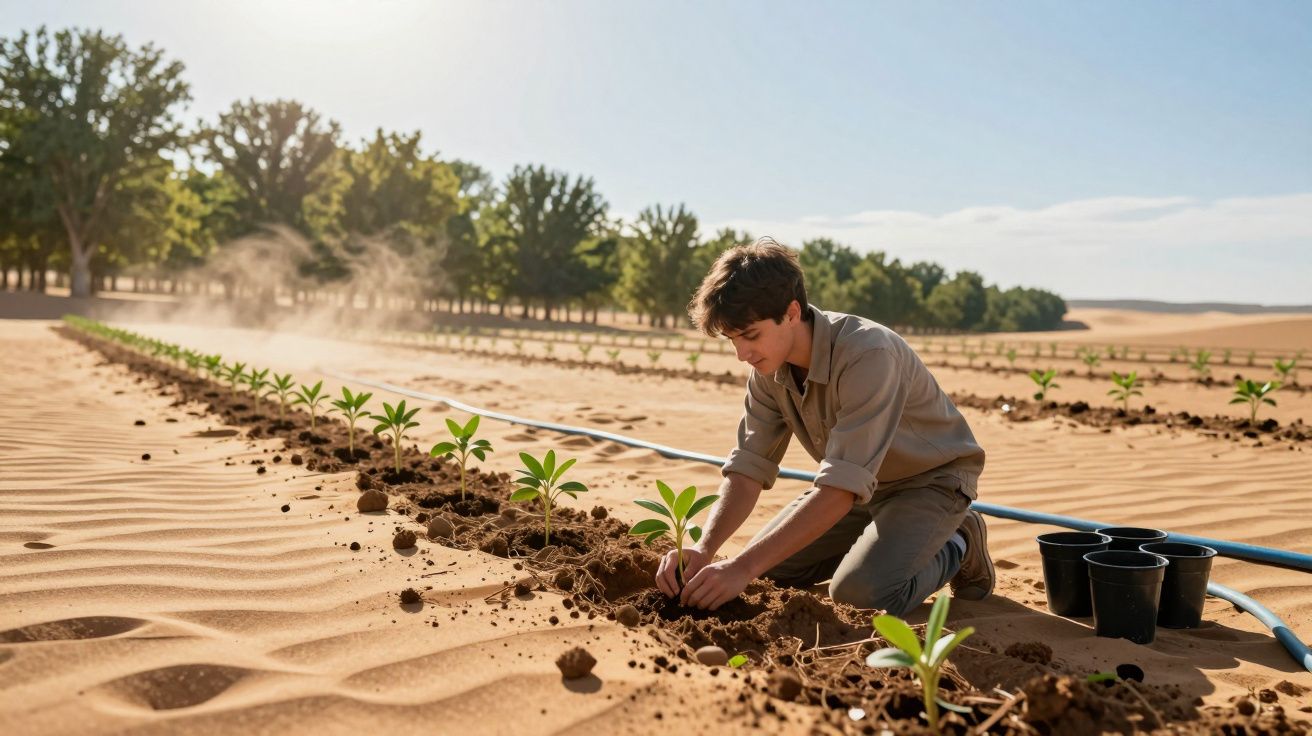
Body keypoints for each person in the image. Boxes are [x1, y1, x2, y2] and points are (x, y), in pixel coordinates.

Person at [655, 237, 993, 616]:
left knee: (860, 594)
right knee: (769, 572)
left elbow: (839, 489)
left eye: (751, 335)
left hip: (929, 482)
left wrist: (742, 567)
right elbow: (749, 467)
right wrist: (704, 548)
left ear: (792, 312)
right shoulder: (767, 369)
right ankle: (880, 547)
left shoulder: (868, 354)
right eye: (733, 340)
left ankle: (959, 540)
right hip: (859, 487)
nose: (743, 354)